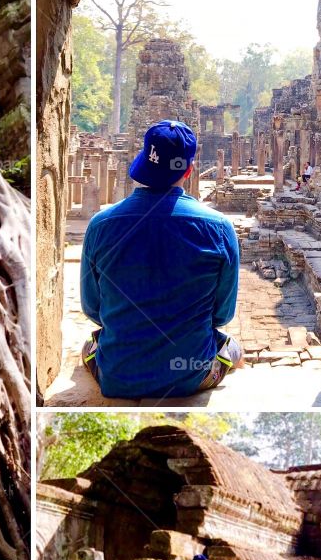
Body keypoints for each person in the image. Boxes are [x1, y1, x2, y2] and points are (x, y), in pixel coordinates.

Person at [80, 119, 244, 398]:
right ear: (189, 169)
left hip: (118, 374)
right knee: (235, 350)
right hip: (191, 374)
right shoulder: (219, 228)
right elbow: (222, 315)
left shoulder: (100, 225)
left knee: (87, 347)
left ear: (144, 160)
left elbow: (93, 310)